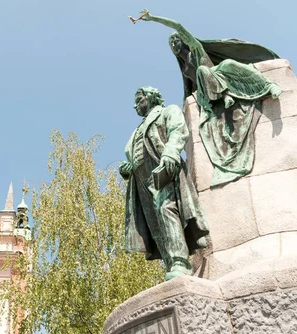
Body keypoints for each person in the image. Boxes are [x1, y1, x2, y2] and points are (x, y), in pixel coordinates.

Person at [137, 11, 282, 187]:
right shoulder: (184, 70)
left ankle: (266, 86)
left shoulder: (196, 49)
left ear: (183, 40)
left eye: (176, 40)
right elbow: (189, 92)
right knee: (200, 73)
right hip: (208, 95)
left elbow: (178, 26)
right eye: (171, 43)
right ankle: (225, 96)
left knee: (222, 66)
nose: (174, 43)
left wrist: (154, 18)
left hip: (220, 74)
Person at [120, 87, 209, 280]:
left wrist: (170, 151)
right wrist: (129, 168)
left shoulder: (167, 111)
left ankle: (180, 261)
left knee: (166, 209)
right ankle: (171, 264)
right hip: (142, 181)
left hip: (163, 170)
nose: (135, 105)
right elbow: (135, 153)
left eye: (139, 99)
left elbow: (178, 131)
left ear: (151, 98)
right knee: (155, 225)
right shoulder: (136, 131)